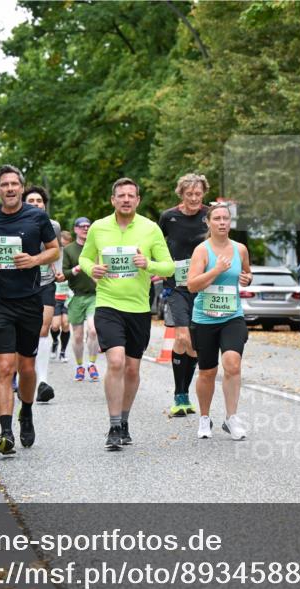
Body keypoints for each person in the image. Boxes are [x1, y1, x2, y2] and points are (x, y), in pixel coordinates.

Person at [79, 178, 174, 451]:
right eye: (121, 195)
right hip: (108, 304)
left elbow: (168, 267)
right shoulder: (98, 228)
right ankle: (113, 425)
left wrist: (148, 263)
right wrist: (90, 269)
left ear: (138, 200)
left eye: (131, 195)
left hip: (138, 309)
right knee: (117, 362)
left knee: (132, 369)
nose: (126, 199)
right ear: (113, 200)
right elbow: (85, 258)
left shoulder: (150, 228)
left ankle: (124, 421)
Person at [0, 165, 59, 455]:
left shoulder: (37, 217)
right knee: (5, 367)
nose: (9, 188)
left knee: (27, 367)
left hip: (30, 300)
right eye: (4, 184)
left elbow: (54, 249)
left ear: (22, 188)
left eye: (14, 184)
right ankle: (5, 431)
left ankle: (27, 411)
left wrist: (34, 260)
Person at [185, 203, 253, 440]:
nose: (222, 222)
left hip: (232, 316)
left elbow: (246, 272)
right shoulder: (202, 251)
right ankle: (205, 418)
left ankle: (231, 418)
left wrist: (247, 279)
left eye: (226, 218)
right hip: (204, 318)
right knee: (207, 371)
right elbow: (192, 285)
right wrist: (215, 271)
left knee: (233, 364)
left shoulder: (240, 249)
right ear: (208, 222)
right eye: (217, 219)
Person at [157, 173, 211, 417]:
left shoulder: (209, 216)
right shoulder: (169, 217)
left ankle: (184, 394)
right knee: (182, 338)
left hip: (203, 287)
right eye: (189, 194)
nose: (194, 198)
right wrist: (158, 266)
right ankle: (180, 396)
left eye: (198, 194)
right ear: (181, 194)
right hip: (177, 286)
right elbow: (158, 244)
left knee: (196, 346)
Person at [24, 185, 65, 403]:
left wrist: (57, 270)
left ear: (44, 204)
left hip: (46, 281)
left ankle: (42, 382)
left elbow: (57, 250)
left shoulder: (54, 226)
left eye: (39, 201)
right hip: (21, 284)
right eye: (30, 201)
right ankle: (20, 373)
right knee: (23, 331)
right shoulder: (15, 224)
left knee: (43, 328)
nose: (36, 204)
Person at [63, 217, 100, 382]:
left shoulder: (96, 247)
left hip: (95, 295)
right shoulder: (69, 250)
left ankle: (92, 363)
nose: (85, 229)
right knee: (77, 336)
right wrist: (76, 269)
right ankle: (79, 366)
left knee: (93, 330)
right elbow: (63, 273)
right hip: (76, 296)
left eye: (88, 226)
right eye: (82, 226)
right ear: (75, 229)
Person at [50, 230, 74, 363]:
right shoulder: (53, 254)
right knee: (54, 326)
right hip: (54, 295)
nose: (63, 247)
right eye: (61, 244)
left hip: (68, 296)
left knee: (65, 324)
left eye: (66, 245)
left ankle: (63, 351)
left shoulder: (72, 256)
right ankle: (54, 342)